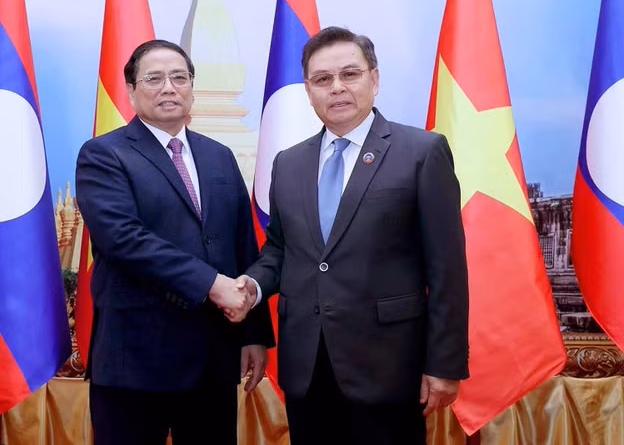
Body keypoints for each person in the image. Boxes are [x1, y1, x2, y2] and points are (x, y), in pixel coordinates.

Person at [235, 26, 469, 444]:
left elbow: (448, 268)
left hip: (389, 366)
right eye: (322, 79)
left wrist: (445, 363)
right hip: (307, 366)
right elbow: (281, 251)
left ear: (374, 80)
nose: (337, 88)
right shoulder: (288, 164)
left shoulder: (421, 151)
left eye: (350, 74)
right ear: (308, 90)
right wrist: (252, 286)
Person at [75, 39, 274, 445]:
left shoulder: (219, 156)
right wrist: (212, 284)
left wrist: (253, 332)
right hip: (135, 362)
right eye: (154, 78)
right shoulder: (103, 155)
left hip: (212, 361)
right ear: (131, 90)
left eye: (179, 77)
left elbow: (242, 245)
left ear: (191, 88)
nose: (169, 87)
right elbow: (123, 240)